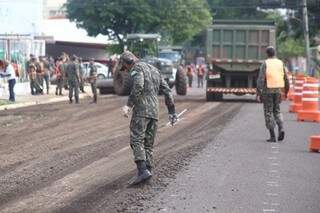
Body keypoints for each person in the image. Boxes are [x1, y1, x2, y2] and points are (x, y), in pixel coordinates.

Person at [120, 51, 177, 185]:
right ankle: (148, 172)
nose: (126, 70)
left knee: (136, 140)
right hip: (154, 111)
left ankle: (142, 171)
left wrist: (129, 105)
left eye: (125, 67)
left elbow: (138, 85)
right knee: (148, 143)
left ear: (128, 61)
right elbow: (168, 91)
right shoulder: (155, 70)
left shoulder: (137, 68)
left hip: (142, 110)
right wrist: (172, 111)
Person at [257, 46, 289, 142]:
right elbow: (286, 79)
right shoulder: (280, 63)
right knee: (277, 111)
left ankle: (272, 136)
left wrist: (259, 92)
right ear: (275, 53)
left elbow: (261, 79)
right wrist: (286, 91)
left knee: (268, 112)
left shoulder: (265, 63)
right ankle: (281, 128)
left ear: (267, 54)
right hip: (278, 91)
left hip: (268, 91)